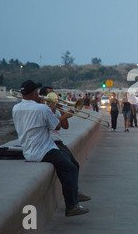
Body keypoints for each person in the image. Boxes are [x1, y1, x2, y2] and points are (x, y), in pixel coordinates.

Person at [12, 80, 89, 217]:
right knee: (70, 168)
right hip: (43, 150)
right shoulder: (42, 109)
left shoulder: (16, 108)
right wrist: (54, 111)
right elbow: (57, 127)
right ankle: (71, 206)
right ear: (35, 93)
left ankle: (73, 198)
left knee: (67, 164)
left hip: (28, 149)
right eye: (36, 92)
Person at [39, 86, 91, 202]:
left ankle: (75, 191)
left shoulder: (55, 109)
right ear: (44, 97)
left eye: (54, 94)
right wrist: (65, 115)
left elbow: (65, 126)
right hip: (51, 142)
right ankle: (72, 196)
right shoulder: (44, 109)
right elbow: (54, 125)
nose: (55, 97)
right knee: (70, 167)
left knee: (75, 165)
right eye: (51, 94)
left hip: (58, 141)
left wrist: (62, 111)